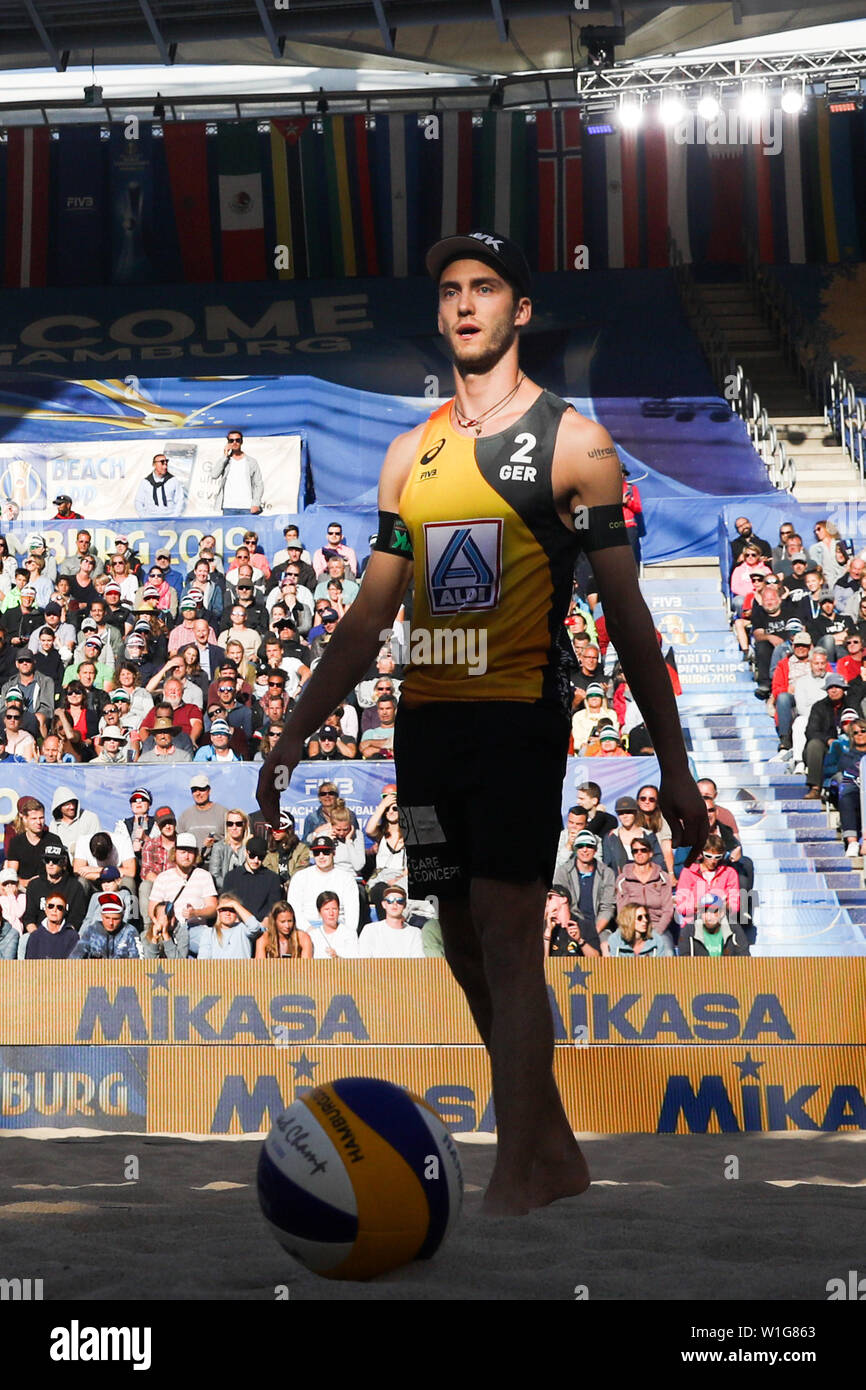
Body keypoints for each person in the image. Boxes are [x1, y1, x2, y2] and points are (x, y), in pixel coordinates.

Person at [256, 229, 707, 1216]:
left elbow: (626, 615)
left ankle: (514, 1174)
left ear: (520, 312)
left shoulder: (575, 444)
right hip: (422, 726)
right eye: (451, 289)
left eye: (485, 287)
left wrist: (671, 765)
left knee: (506, 936)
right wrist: (292, 731)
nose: (465, 303)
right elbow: (370, 613)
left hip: (515, 719)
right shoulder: (405, 454)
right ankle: (554, 1150)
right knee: (459, 942)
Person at [148, 833, 217, 956]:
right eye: (183, 851)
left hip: (195, 929)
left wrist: (195, 912)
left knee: (210, 940)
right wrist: (161, 922)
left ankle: (208, 974)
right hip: (170, 929)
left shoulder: (204, 876)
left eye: (190, 852)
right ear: (175, 853)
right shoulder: (163, 877)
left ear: (195, 854)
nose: (186, 856)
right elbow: (151, 908)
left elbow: (213, 909)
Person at [552, 829, 616, 948]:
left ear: (595, 850)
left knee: (607, 945)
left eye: (589, 846)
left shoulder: (607, 873)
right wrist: (574, 930)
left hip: (598, 927)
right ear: (576, 849)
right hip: (570, 925)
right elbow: (559, 906)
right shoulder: (563, 872)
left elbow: (607, 907)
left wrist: (593, 933)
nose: (585, 850)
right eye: (580, 846)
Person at [287, 833, 360, 934]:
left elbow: (352, 913)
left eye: (325, 852)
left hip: (338, 929)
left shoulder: (346, 878)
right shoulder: (300, 877)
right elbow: (294, 909)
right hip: (306, 930)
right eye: (317, 852)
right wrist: (309, 930)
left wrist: (345, 934)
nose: (321, 856)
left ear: (333, 853)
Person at [614, 832, 676, 943]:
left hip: (657, 927)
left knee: (668, 952)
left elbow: (668, 910)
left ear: (651, 853)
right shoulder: (623, 879)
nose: (639, 853)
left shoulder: (663, 878)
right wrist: (632, 932)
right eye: (635, 851)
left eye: (643, 850)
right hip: (631, 928)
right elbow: (622, 911)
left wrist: (656, 933)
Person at [222, 835, 282, 920]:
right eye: (252, 856)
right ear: (246, 853)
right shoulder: (231, 877)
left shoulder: (272, 878)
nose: (256, 860)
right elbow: (226, 906)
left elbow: (273, 909)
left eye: (261, 857)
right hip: (236, 926)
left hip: (263, 928)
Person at [358, 884, 425, 957]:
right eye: (390, 900)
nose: (395, 904)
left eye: (400, 901)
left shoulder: (415, 933)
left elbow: (418, 964)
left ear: (404, 905)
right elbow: (363, 962)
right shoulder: (370, 930)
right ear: (383, 904)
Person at [207, 430, 264, 515]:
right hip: (228, 507)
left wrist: (256, 503)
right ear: (228, 442)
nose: (235, 442)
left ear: (242, 441)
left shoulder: (251, 462)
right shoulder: (225, 461)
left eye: (238, 440)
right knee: (229, 529)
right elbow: (214, 475)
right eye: (231, 440)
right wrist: (225, 456)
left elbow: (259, 484)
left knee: (248, 529)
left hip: (247, 507)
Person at [678, 893, 751, 956]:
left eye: (714, 911)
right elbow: (684, 963)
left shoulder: (734, 929)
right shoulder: (689, 931)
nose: (709, 916)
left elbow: (744, 959)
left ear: (722, 913)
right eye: (705, 911)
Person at [72, 891, 140, 958]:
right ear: (101, 916)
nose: (111, 923)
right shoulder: (92, 930)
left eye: (115, 919)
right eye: (107, 918)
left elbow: (139, 961)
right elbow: (75, 956)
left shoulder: (130, 931)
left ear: (122, 917)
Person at [196, 892, 262, 959]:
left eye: (231, 910)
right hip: (218, 968)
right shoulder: (209, 932)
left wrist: (235, 904)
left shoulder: (243, 928)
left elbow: (255, 927)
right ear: (218, 911)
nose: (228, 913)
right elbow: (203, 959)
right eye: (223, 909)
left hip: (241, 968)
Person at [542, 885, 601, 957]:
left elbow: (596, 960)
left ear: (563, 899)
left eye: (550, 897)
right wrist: (548, 933)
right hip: (556, 968)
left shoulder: (585, 926)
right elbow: (542, 964)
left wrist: (580, 940)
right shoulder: (547, 928)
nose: (547, 902)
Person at [177, 775, 228, 855]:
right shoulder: (185, 815)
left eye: (201, 789)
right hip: (193, 864)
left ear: (209, 790)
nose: (198, 793)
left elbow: (232, 840)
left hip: (219, 862)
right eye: (194, 790)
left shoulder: (223, 813)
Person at [23, 892, 79, 959]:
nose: (54, 910)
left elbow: (75, 965)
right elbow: (30, 964)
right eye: (51, 906)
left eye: (59, 907)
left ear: (64, 912)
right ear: (46, 910)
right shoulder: (35, 936)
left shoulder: (72, 936)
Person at [605, 902, 673, 957]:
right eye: (640, 918)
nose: (645, 920)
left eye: (646, 916)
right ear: (629, 920)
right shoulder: (615, 940)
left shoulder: (656, 939)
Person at [305, 889, 359, 958]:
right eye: (327, 909)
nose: (331, 913)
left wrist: (337, 956)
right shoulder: (312, 935)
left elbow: (355, 961)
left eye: (334, 909)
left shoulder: (349, 933)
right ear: (319, 912)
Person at [134, 450, 187, 517]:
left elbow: (180, 500)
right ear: (154, 464)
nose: (165, 466)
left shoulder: (173, 480)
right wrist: (144, 517)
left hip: (169, 520)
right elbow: (138, 501)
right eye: (162, 463)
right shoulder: (145, 482)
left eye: (166, 463)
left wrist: (175, 516)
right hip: (150, 521)